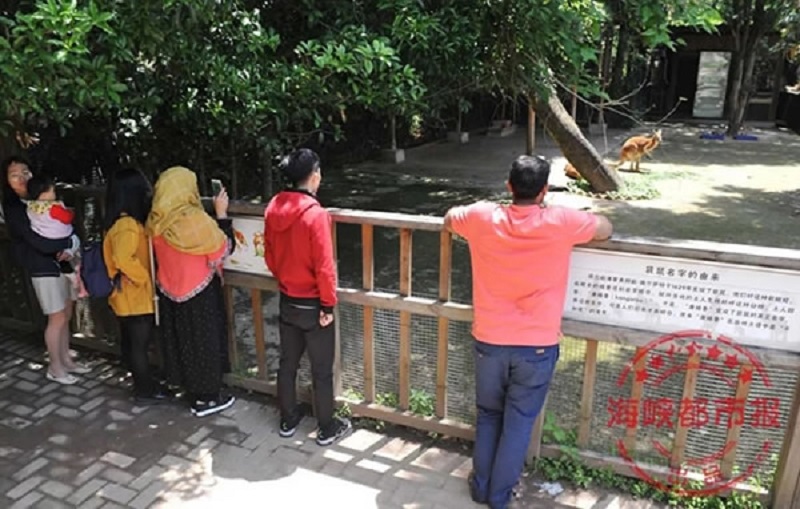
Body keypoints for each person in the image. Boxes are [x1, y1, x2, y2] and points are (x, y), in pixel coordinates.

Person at [443, 155, 613, 509]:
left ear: (509, 187)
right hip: (536, 346)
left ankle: (482, 486)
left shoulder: (480, 216)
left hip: (489, 339)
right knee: (518, 423)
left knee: (489, 414)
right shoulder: (562, 221)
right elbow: (605, 227)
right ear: (545, 190)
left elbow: (448, 219)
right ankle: (500, 497)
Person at [264, 148, 351, 446]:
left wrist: (287, 279)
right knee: (321, 369)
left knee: (288, 363)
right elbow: (325, 267)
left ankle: (288, 418)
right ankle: (326, 426)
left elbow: (271, 258)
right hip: (315, 304)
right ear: (314, 177)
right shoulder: (316, 215)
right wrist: (328, 303)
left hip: (288, 298)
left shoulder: (273, 207)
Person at [146, 166, 236, 417]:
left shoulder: (156, 220)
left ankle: (189, 389)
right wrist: (222, 215)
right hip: (200, 292)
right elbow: (224, 249)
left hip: (169, 292)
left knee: (182, 341)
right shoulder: (195, 221)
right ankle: (207, 399)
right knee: (204, 342)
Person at [1, 156, 88, 385]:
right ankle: (55, 367)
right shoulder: (14, 208)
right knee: (56, 316)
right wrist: (67, 245)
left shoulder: (44, 198)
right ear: (6, 181)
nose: (22, 178)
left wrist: (72, 244)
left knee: (66, 313)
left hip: (62, 263)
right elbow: (37, 242)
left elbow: (68, 227)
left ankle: (66, 359)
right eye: (14, 175)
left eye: (25, 172)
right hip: (41, 266)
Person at [103, 167, 169, 404]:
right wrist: (144, 280)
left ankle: (145, 384)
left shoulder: (120, 221)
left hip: (128, 295)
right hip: (134, 296)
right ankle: (144, 390)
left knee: (134, 344)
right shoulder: (127, 225)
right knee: (139, 345)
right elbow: (123, 259)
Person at [24, 174, 87, 298]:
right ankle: (77, 276)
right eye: (52, 191)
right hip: (62, 237)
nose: (54, 194)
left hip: (45, 239)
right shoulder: (53, 207)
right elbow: (67, 218)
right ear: (44, 193)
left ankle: (71, 276)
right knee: (75, 244)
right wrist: (69, 211)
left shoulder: (31, 207)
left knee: (60, 259)